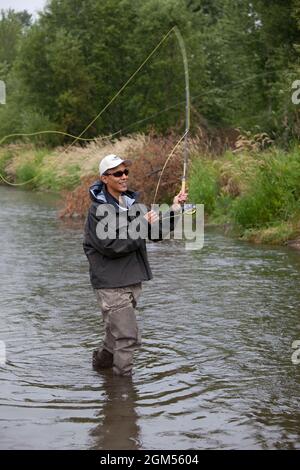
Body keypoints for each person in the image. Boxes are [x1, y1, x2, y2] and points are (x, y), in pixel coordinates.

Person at [83, 154, 188, 377]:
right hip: (111, 284)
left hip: (132, 281)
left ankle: (100, 371)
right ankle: (122, 397)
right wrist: (141, 223)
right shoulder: (97, 211)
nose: (124, 177)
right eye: (117, 173)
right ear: (104, 178)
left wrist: (175, 210)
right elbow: (112, 245)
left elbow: (155, 234)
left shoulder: (131, 205)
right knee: (128, 337)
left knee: (115, 338)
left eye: (126, 172)